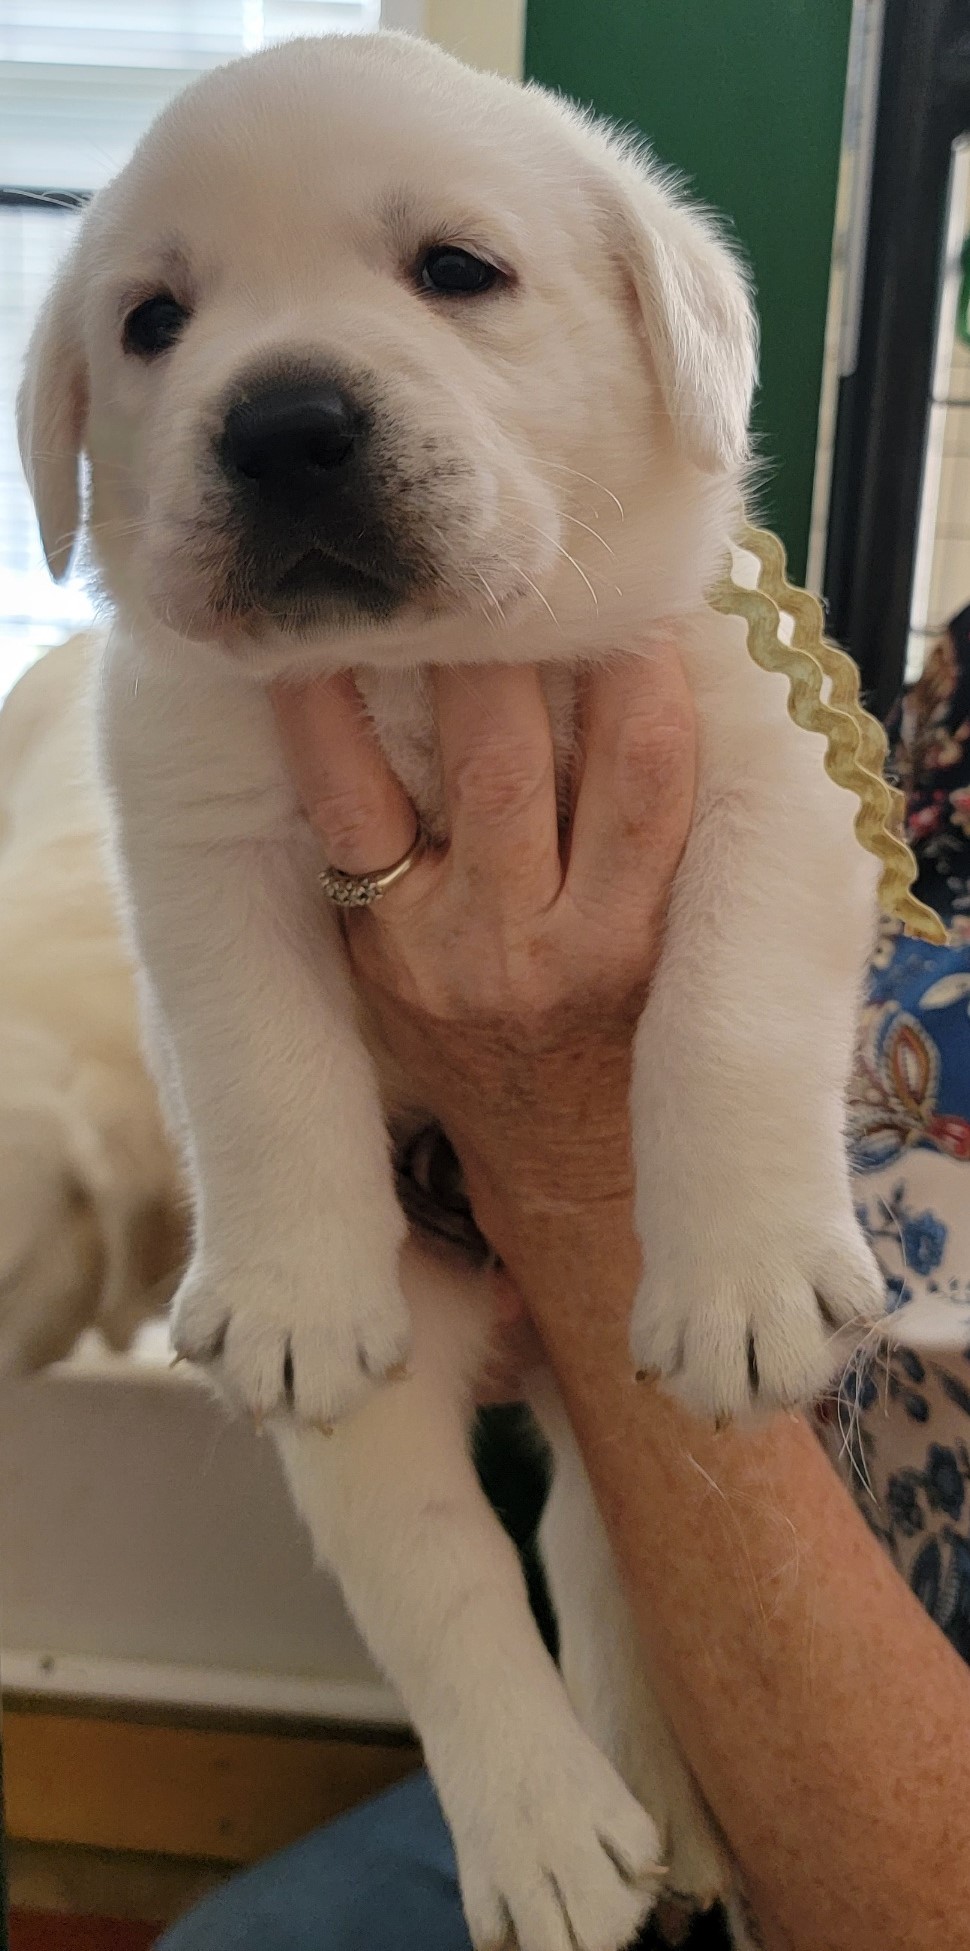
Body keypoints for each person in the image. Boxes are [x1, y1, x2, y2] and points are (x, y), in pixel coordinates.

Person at [158, 632, 970, 1951]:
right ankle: (493, 1725)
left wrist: (642, 1170)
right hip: (409, 1201)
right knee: (344, 1395)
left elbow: (780, 833)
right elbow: (202, 888)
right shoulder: (930, 685)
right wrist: (286, 1208)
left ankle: (608, 1688)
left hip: (849, 1638)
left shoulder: (689, 618)